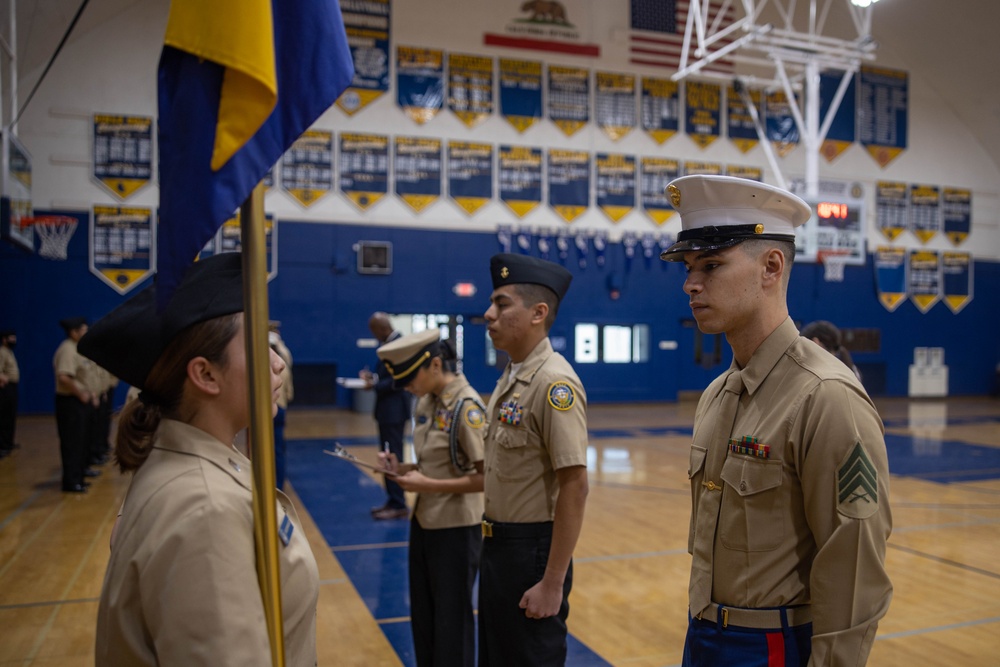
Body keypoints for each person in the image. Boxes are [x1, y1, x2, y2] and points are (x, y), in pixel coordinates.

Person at [659, 174, 892, 666]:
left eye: (712, 265)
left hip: (772, 648)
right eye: (688, 267)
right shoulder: (718, 395)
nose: (690, 283)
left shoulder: (826, 397)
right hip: (702, 637)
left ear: (771, 266)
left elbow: (853, 566)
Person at [78, 252, 319, 666]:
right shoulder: (205, 508)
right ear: (205, 375)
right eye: (259, 346)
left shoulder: (193, 464)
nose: (278, 363)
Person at [478, 253, 589, 667]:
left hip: (532, 556)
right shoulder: (512, 376)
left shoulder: (553, 383)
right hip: (498, 549)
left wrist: (552, 582)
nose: (489, 314)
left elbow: (575, 485)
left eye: (502, 304)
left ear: (538, 313)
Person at [375, 328, 485, 667]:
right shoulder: (426, 401)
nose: (407, 386)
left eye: (411, 378)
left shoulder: (467, 408)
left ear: (435, 365)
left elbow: (488, 478)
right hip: (426, 520)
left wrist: (427, 485)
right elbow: (435, 462)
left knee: (452, 621)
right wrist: (404, 468)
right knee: (424, 616)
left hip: (456, 528)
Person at [361, 311, 412, 520]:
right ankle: (392, 499)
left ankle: (399, 503)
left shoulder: (398, 345)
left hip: (394, 411)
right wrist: (373, 378)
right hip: (387, 410)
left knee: (393, 457)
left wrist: (375, 384)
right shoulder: (390, 344)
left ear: (382, 328)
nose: (374, 335)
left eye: (374, 331)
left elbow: (399, 380)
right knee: (387, 457)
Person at [53, 316, 99, 492]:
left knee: (82, 440)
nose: (86, 333)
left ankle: (79, 475)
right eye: (83, 330)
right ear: (73, 332)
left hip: (80, 402)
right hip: (71, 402)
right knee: (72, 442)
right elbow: (64, 377)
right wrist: (81, 394)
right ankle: (71, 482)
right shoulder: (67, 350)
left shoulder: (77, 349)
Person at [270, 327, 294, 489]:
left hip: (274, 407)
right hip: (282, 405)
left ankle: (277, 484)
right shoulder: (284, 355)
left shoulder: (273, 363)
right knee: (279, 447)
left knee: (275, 448)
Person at [0, 329, 20, 458]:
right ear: (4, 339)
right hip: (5, 388)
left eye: (14, 337)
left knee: (10, 416)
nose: (14, 340)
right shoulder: (2, 352)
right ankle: (2, 445)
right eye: (11, 338)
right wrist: (3, 380)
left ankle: (8, 442)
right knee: (3, 417)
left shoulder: (9, 352)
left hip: (12, 387)